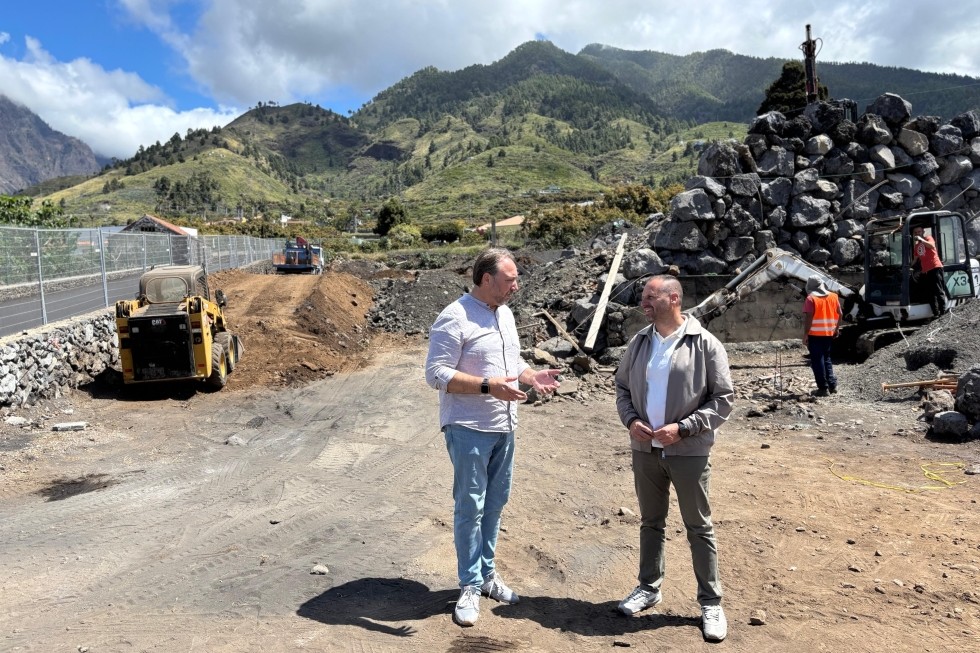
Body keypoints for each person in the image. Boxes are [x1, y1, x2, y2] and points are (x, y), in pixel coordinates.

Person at [424, 247, 561, 627]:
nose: (516, 285)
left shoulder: (505, 314)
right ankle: (468, 585)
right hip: (468, 428)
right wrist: (488, 387)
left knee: (495, 503)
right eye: (510, 279)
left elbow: (510, 362)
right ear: (487, 279)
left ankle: (486, 575)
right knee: (471, 506)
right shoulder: (453, 317)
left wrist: (531, 376)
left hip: (504, 425)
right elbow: (435, 374)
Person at [613, 274, 734, 642]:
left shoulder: (705, 344)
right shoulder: (639, 342)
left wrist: (683, 428)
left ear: (674, 298)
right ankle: (648, 587)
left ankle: (711, 602)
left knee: (699, 526)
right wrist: (631, 420)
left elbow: (723, 399)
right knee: (651, 522)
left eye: (650, 297)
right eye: (643, 298)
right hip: (645, 450)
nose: (643, 303)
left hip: (688, 451)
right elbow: (621, 389)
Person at [802, 276, 842, 397]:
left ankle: (823, 388)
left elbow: (809, 317)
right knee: (827, 358)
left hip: (815, 334)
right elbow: (840, 313)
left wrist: (805, 334)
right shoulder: (834, 296)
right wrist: (836, 328)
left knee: (817, 361)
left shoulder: (811, 299)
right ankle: (832, 386)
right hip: (828, 333)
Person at [911, 224, 947, 316]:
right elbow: (915, 259)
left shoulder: (928, 238)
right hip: (926, 270)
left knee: (938, 290)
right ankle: (936, 313)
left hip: (935, 267)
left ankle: (943, 312)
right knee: (930, 292)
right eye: (915, 233)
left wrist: (921, 240)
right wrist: (907, 267)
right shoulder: (916, 246)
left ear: (923, 232)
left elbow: (931, 246)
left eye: (919, 232)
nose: (917, 234)